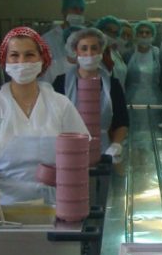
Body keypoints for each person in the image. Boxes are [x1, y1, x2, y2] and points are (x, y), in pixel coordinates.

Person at [0, 27, 88, 204]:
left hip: (52, 204)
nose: (22, 62)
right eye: (14, 55)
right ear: (5, 60)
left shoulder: (60, 105)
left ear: (42, 59)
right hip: (4, 204)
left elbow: (80, 153)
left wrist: (66, 177)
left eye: (29, 55)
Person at [52, 27, 129, 160]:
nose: (89, 53)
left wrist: (116, 144)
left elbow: (122, 121)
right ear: (76, 51)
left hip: (104, 149)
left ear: (101, 50)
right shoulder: (61, 83)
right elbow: (52, 119)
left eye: (94, 48)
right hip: (69, 150)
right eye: (84, 48)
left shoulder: (112, 85)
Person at [41, 0, 88, 84]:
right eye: (74, 9)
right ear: (64, 11)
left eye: (81, 10)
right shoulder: (47, 39)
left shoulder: (87, 37)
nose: (78, 13)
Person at [124, 21, 162, 106]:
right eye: (141, 32)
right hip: (132, 100)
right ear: (136, 35)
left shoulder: (157, 54)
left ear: (152, 35)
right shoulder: (128, 54)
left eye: (147, 32)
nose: (144, 35)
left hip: (154, 99)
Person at [94, 15, 128, 86]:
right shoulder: (92, 53)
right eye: (109, 30)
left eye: (115, 33)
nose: (111, 35)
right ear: (99, 30)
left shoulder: (114, 52)